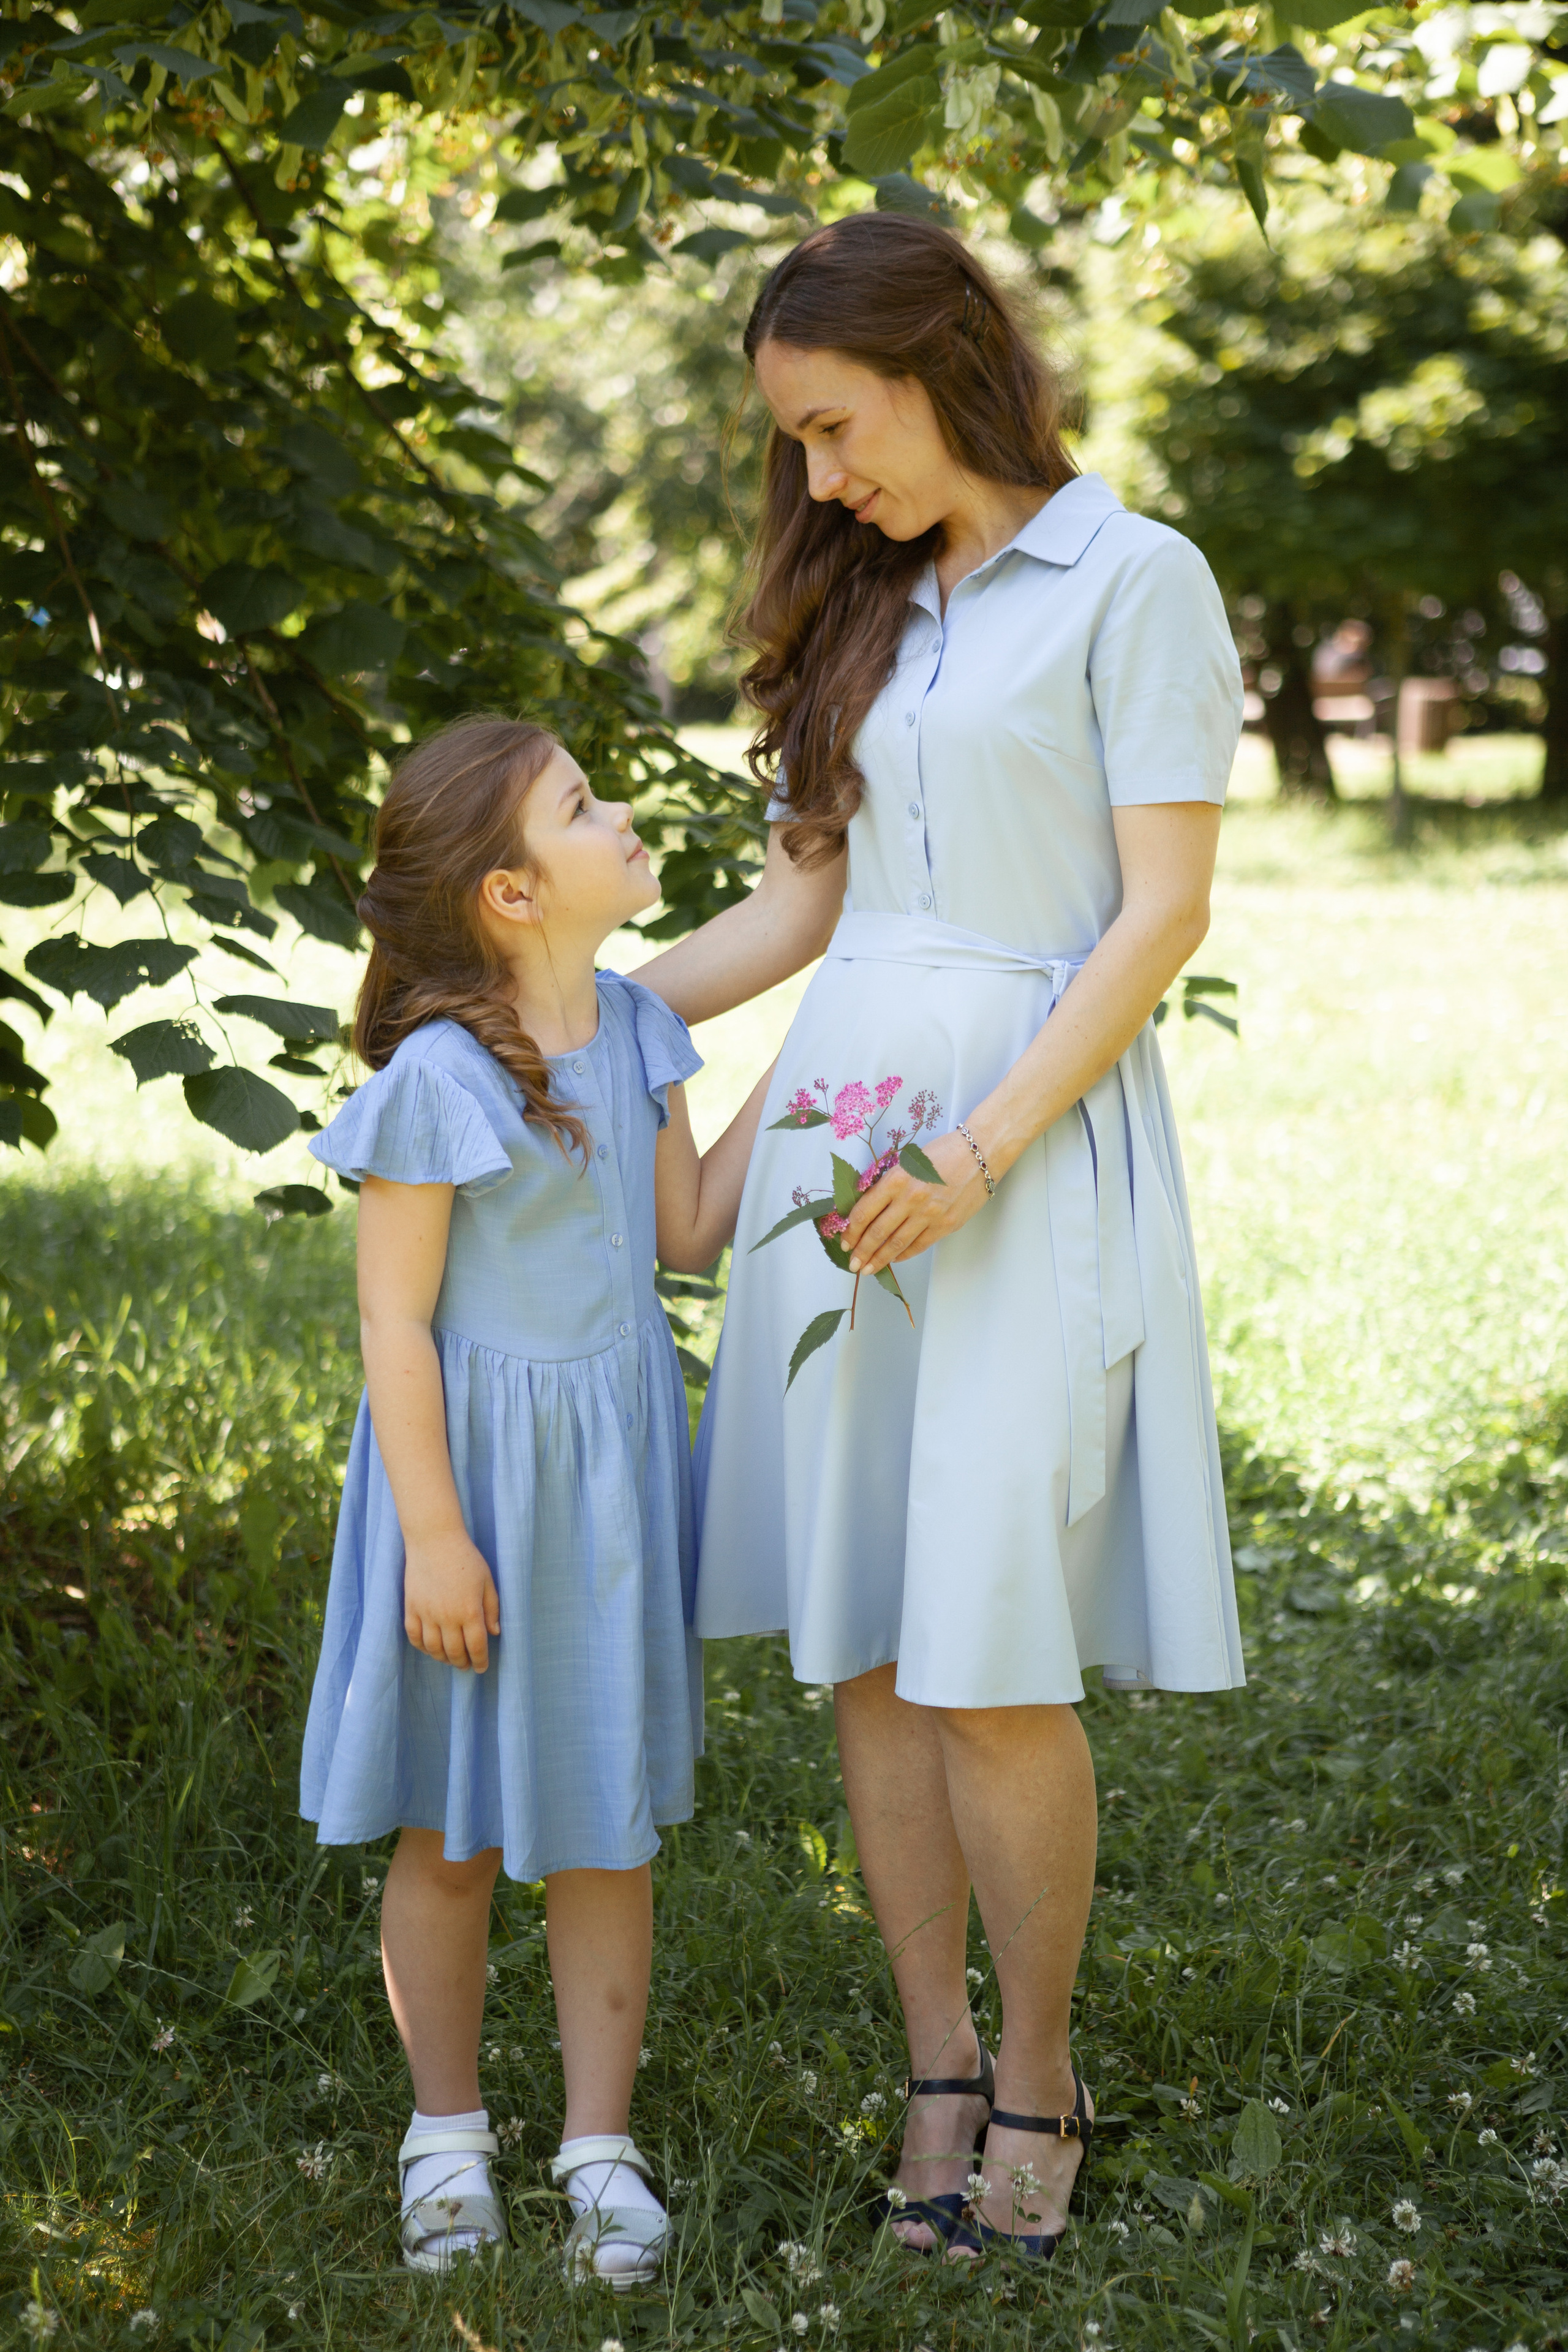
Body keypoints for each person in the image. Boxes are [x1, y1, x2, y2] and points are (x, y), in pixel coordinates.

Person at [635, 215, 1246, 2262]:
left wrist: (982, 1149)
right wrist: (587, 1015)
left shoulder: (1134, 578)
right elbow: (809, 907)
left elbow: (1160, 917)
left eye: (833, 427)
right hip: (838, 1139)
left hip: (1012, 1142)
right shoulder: (867, 602)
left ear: (938, 360)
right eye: (793, 445)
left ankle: (1050, 2070)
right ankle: (936, 2066)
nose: (817, 480)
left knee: (990, 1650)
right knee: (877, 1641)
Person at [298, 717, 769, 2283]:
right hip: (477, 1494)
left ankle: (596, 2145)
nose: (621, 811)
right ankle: (445, 2137)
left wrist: (839, 1053)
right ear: (512, 892)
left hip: (608, 1486)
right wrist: (432, 1530)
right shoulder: (439, 1079)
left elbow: (688, 1228)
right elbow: (393, 1324)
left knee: (601, 1824)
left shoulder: (637, 1032)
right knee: (445, 1831)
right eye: (583, 804)